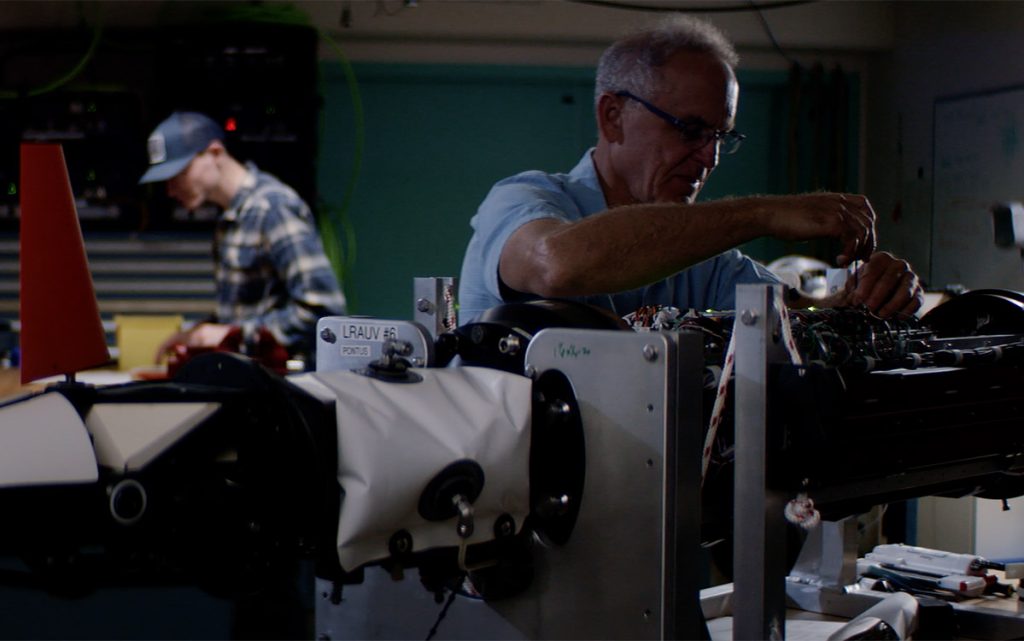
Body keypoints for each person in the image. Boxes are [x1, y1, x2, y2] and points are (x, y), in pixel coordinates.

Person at [458, 15, 923, 324]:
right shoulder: (523, 200)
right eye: (690, 130)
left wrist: (872, 300)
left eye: (721, 137)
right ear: (612, 117)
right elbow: (556, 266)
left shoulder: (707, 263)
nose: (710, 158)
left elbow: (805, 330)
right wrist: (758, 214)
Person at [139, 111, 347, 364]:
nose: (170, 190)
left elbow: (323, 310)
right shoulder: (229, 220)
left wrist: (233, 335)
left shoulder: (272, 208)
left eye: (179, 173)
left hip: (285, 387)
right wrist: (196, 334)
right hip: (251, 381)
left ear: (215, 153)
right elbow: (246, 311)